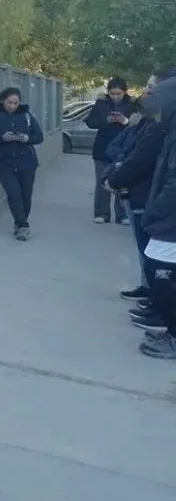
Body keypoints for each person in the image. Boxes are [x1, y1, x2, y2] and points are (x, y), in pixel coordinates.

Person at [103, 68, 176, 312]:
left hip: (150, 198)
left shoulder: (160, 124)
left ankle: (161, 312)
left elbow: (143, 158)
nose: (146, 92)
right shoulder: (152, 119)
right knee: (150, 256)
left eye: (152, 89)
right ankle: (153, 296)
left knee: (157, 261)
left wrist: (116, 180)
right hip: (146, 194)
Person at [130, 75, 176, 358]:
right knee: (159, 272)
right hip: (166, 218)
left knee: (159, 273)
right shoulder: (171, 132)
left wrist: (154, 212)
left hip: (169, 221)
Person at [0, 87, 45, 241]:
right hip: (3, 161)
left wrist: (26, 138)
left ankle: (19, 223)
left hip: (27, 161)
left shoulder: (25, 114)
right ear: (3, 101)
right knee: (13, 193)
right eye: (9, 102)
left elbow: (39, 136)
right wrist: (1, 137)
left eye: (15, 103)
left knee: (25, 195)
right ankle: (23, 225)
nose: (12, 106)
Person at [85, 76, 135, 224]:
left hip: (123, 148)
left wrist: (124, 121)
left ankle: (122, 214)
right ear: (108, 92)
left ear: (124, 92)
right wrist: (105, 121)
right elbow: (90, 122)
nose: (115, 97)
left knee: (122, 181)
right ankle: (101, 213)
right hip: (102, 148)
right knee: (102, 181)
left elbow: (139, 124)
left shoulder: (132, 105)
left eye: (118, 94)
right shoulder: (101, 103)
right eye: (112, 93)